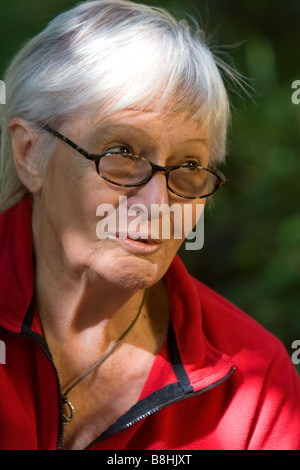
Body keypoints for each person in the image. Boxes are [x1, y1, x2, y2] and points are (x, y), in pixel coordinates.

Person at [0, 0, 299, 451]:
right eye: (121, 153)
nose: (158, 203)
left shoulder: (254, 387)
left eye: (189, 165)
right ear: (29, 154)